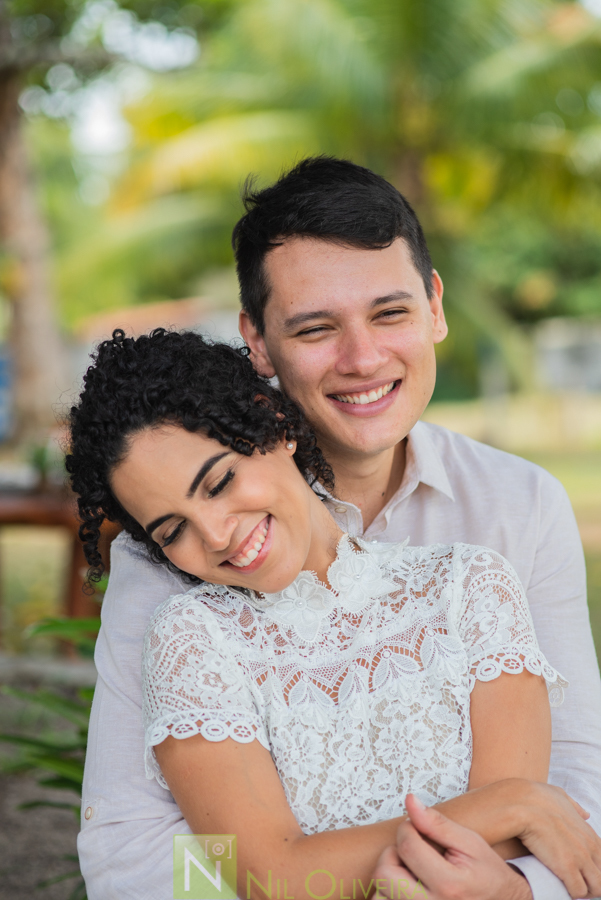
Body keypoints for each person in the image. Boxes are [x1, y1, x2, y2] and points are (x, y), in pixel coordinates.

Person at [76, 157, 601, 900]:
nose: (362, 360)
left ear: (434, 308)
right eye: (316, 328)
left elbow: (577, 786)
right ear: (256, 344)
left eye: (389, 313)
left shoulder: (511, 517)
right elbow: (130, 854)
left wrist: (515, 891)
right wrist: (274, 882)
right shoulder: (168, 576)